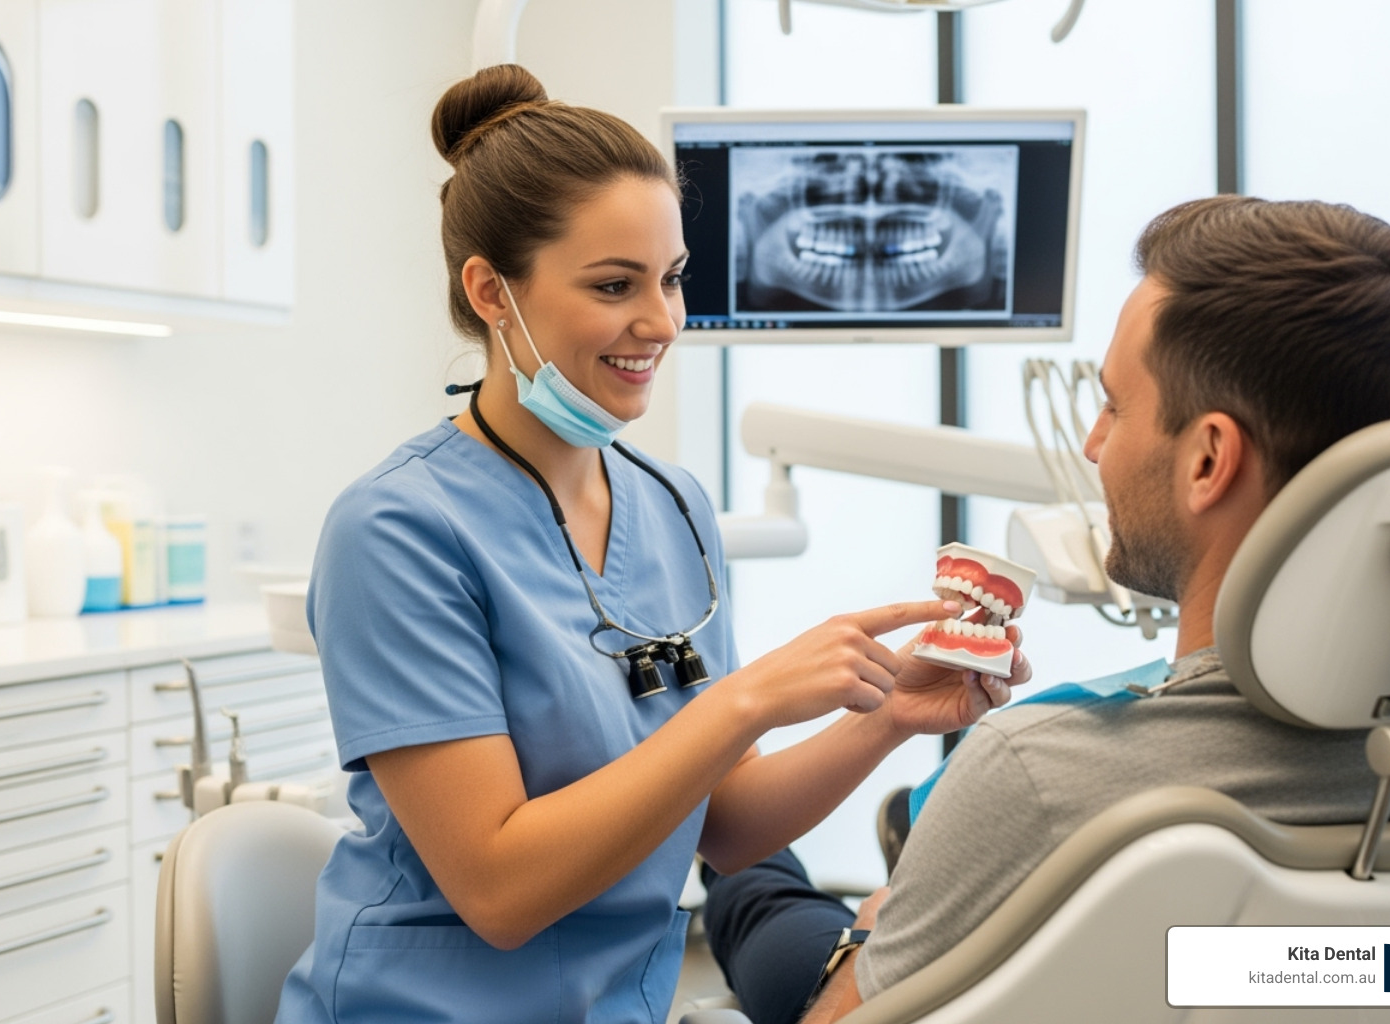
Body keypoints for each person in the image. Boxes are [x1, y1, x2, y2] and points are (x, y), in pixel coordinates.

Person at [272, 64, 1029, 1024]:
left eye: (671, 279)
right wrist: (747, 702)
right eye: (613, 285)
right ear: (492, 291)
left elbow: (726, 825)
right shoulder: (398, 530)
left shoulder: (673, 507)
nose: (661, 322)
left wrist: (887, 715)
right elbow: (500, 890)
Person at [701, 195, 1390, 1024]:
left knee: (755, 882)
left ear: (1209, 458)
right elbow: (1321, 973)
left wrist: (875, 937)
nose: (1096, 445)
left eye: (1113, 406)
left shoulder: (1036, 774)